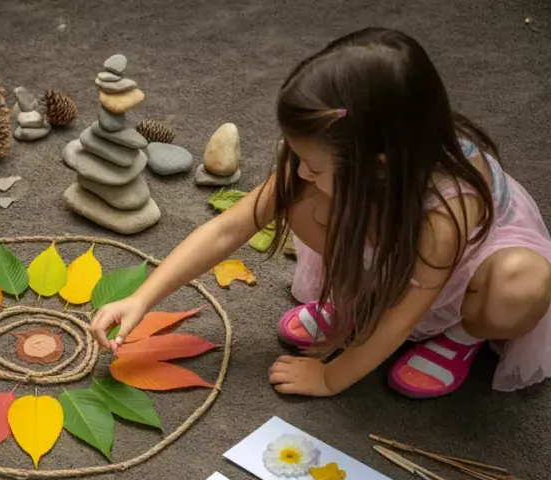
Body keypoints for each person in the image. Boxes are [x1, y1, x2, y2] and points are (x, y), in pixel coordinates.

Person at [91, 27, 551, 399]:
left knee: (520, 286)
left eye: (314, 163)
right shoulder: (331, 159)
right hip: (387, 238)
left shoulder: (448, 210)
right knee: (302, 199)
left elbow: (403, 316)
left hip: (463, 274)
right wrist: (143, 298)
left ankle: (460, 338)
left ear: (377, 168)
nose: (302, 171)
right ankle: (355, 303)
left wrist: (332, 377)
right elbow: (229, 226)